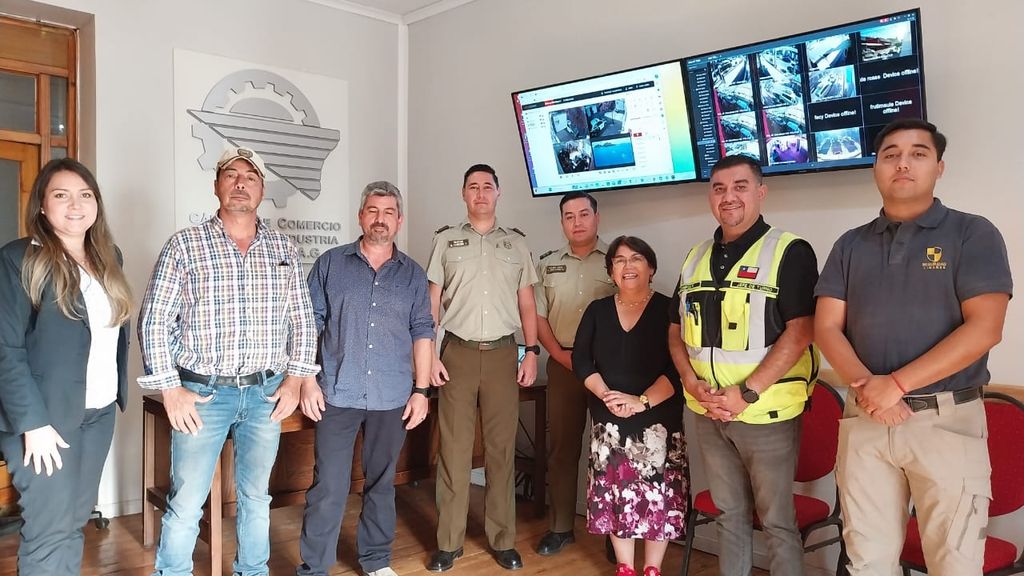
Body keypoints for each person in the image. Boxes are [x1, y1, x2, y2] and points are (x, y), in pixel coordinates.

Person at [815, 119, 1012, 575]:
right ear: (876, 168)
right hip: (865, 421)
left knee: (955, 563)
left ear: (939, 167)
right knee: (867, 561)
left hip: (945, 422)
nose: (903, 163)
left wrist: (898, 384)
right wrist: (870, 389)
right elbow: (827, 327)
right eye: (890, 154)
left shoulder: (972, 234)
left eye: (918, 153)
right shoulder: (849, 245)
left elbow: (985, 328)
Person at [138, 147, 319, 576]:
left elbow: (303, 320)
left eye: (251, 177)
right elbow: (154, 319)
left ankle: (252, 571)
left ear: (261, 190)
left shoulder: (283, 249)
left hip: (265, 394)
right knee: (186, 501)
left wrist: (295, 380)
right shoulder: (185, 245)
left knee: (256, 497)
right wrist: (169, 388)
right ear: (216, 185)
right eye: (231, 175)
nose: (241, 183)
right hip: (202, 394)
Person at [667, 154, 819, 576]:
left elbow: (802, 329)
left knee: (776, 522)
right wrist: (689, 380)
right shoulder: (695, 255)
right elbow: (675, 329)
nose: (728, 197)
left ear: (760, 192)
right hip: (707, 412)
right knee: (729, 517)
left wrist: (747, 392)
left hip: (765, 413)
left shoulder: (790, 251)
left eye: (740, 187)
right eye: (719, 188)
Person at [0, 158, 132, 575]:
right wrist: (33, 424)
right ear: (42, 205)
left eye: (85, 195)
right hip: (46, 419)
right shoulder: (20, 258)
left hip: (99, 412)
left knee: (74, 520)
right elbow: (5, 348)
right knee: (48, 528)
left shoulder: (109, 255)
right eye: (61, 195)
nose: (75, 205)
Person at [295, 181, 434, 576]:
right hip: (336, 393)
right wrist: (306, 380)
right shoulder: (330, 264)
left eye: (388, 212)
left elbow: (423, 331)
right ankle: (314, 568)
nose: (380, 219)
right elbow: (308, 325)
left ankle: (375, 562)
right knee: (328, 486)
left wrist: (421, 391)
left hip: (392, 396)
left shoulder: (412, 275)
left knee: (382, 484)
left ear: (399, 220)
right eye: (373, 211)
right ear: (361, 216)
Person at [425, 164, 540, 572]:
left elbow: (528, 304)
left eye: (487, 186)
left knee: (501, 451)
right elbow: (431, 304)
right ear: (463, 194)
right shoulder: (445, 240)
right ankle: (448, 543)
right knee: (454, 451)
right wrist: (430, 355)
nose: (480, 193)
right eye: (472, 186)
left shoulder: (517, 245)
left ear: (498, 192)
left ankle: (502, 539)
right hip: (455, 354)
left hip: (504, 356)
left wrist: (532, 352)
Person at [573, 235, 687, 576]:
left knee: (658, 496)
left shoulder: (670, 310)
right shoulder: (597, 310)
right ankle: (625, 567)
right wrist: (608, 395)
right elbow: (581, 359)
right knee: (615, 496)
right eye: (619, 260)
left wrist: (641, 402)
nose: (627, 266)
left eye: (636, 258)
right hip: (609, 421)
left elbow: (679, 366)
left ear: (651, 267)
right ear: (610, 271)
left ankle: (652, 569)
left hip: (658, 421)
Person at [533, 191, 616, 556]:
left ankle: (619, 535)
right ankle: (561, 527)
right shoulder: (546, 264)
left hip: (611, 370)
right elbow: (537, 316)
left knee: (613, 452)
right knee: (562, 449)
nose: (577, 221)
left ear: (597, 218)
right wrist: (559, 355)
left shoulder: (619, 259)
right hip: (564, 365)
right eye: (569, 216)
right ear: (562, 222)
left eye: (584, 214)